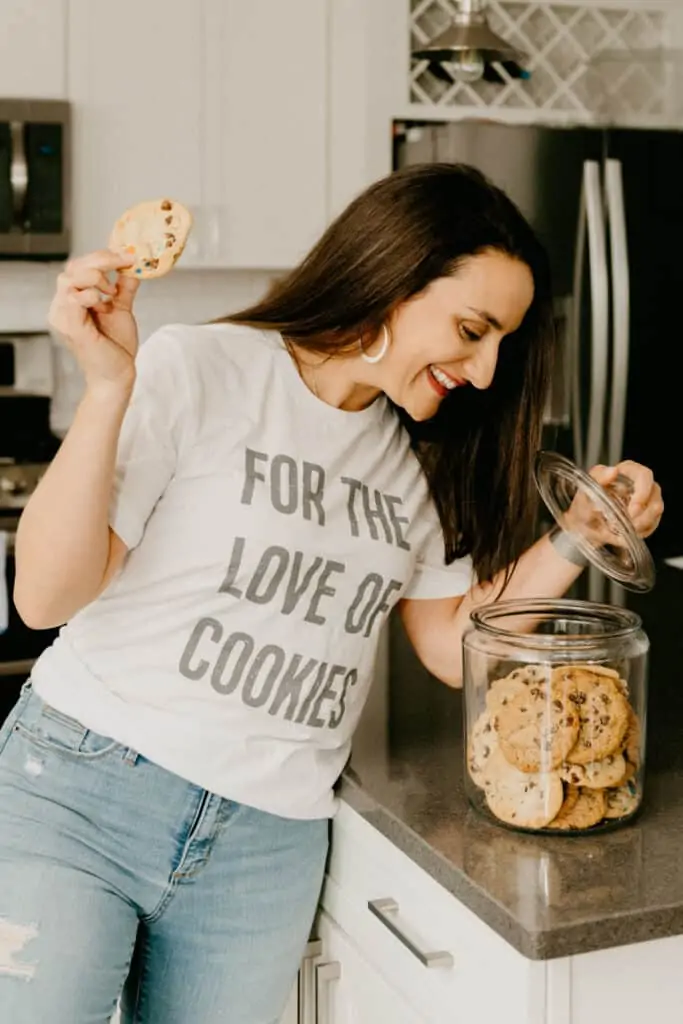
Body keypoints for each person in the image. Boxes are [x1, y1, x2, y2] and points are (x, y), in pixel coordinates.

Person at [0, 164, 663, 1023]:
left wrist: (580, 533)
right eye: (472, 328)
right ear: (393, 278)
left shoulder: (418, 463)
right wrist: (108, 389)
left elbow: (453, 647)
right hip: (85, 793)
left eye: (502, 341)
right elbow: (45, 599)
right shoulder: (201, 366)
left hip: (266, 844)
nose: (489, 368)